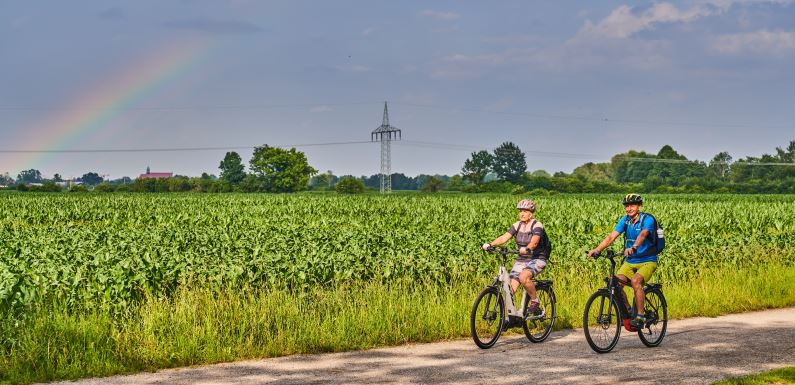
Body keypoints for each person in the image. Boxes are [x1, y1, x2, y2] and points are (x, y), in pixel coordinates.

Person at [587, 193, 658, 330]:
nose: (629, 208)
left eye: (632, 205)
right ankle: (628, 310)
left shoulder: (647, 219)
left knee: (636, 281)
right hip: (630, 261)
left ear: (639, 206)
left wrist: (634, 247)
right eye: (627, 206)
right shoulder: (625, 221)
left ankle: (641, 316)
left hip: (648, 260)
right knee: (615, 282)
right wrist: (596, 250)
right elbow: (611, 237)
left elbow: (643, 234)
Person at [482, 199, 550, 329]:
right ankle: (511, 318)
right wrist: (490, 245)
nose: (522, 214)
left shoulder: (537, 225)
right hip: (522, 259)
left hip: (537, 258)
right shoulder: (517, 225)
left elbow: (535, 241)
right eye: (520, 211)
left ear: (531, 213)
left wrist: (528, 248)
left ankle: (535, 301)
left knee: (524, 277)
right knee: (509, 290)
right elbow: (504, 237)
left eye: (525, 211)